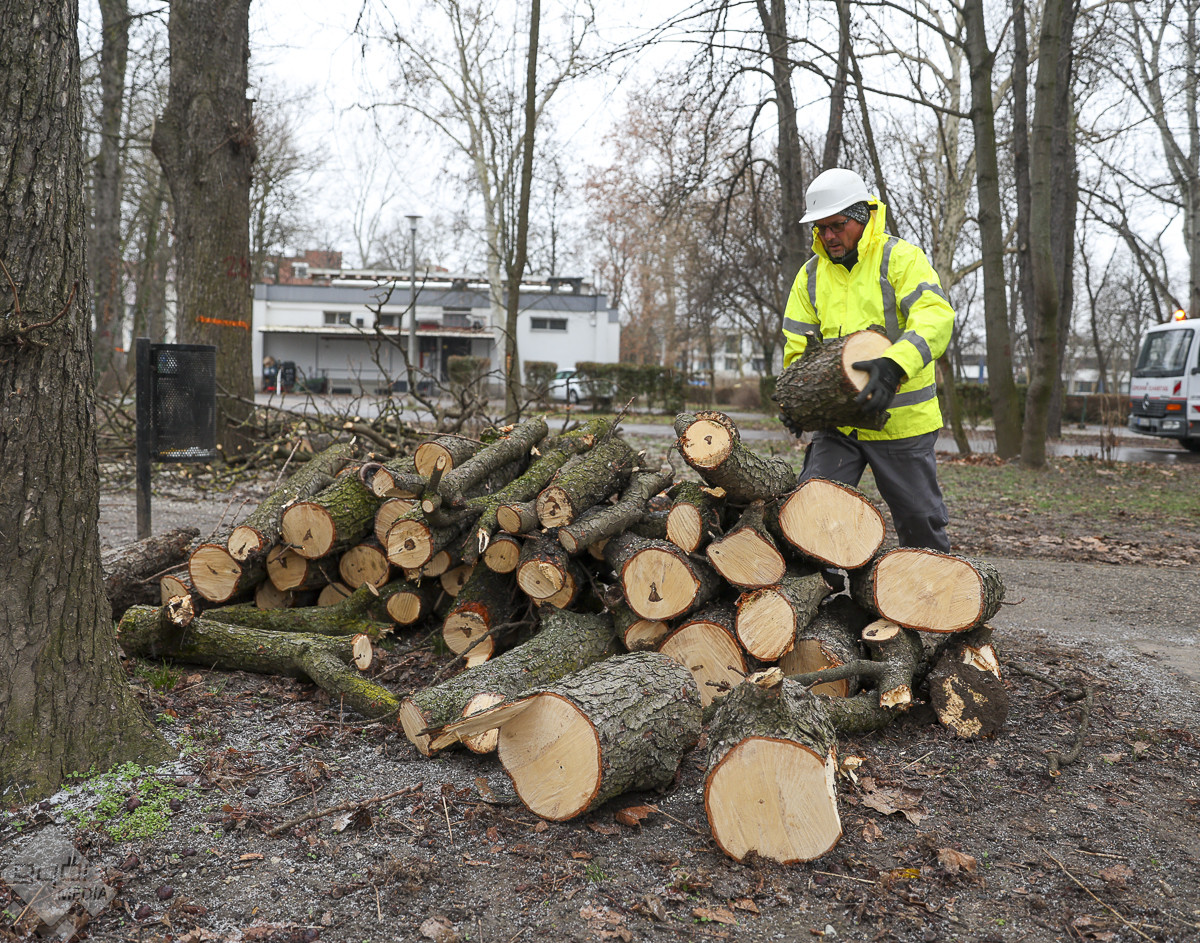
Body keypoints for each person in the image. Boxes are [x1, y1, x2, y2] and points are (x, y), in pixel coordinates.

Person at [782, 167, 954, 553]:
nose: (828, 236)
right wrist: (797, 401)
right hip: (839, 425)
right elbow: (796, 350)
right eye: (821, 228)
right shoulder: (810, 276)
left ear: (862, 215)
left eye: (837, 225)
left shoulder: (901, 259)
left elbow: (935, 318)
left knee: (919, 521)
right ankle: (819, 588)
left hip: (901, 423)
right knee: (812, 516)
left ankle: (933, 587)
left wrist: (895, 365)